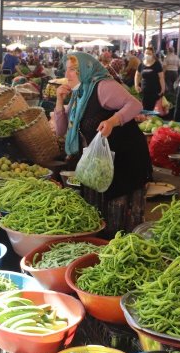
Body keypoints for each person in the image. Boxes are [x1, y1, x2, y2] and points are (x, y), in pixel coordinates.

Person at [52, 52, 152, 236]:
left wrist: (112, 122)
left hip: (126, 157)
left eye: (74, 69)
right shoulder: (79, 94)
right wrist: (59, 100)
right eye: (67, 69)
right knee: (98, 209)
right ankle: (102, 246)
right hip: (101, 160)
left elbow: (135, 105)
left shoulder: (102, 87)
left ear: (86, 69)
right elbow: (60, 130)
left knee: (119, 212)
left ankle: (121, 247)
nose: (68, 74)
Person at [134, 47, 165, 112]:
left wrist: (163, 88)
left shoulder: (157, 64)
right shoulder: (141, 64)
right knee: (145, 109)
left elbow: (161, 77)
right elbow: (137, 75)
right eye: (146, 53)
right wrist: (136, 85)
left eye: (149, 53)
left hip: (155, 90)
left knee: (153, 110)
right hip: (144, 91)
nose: (147, 55)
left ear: (153, 54)